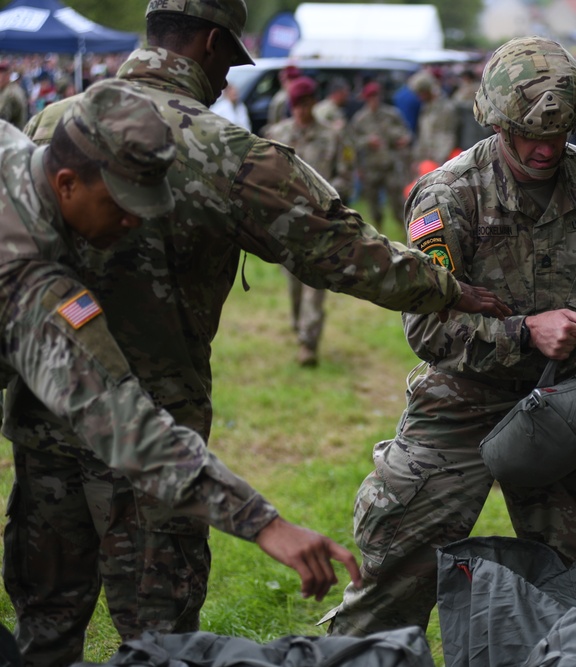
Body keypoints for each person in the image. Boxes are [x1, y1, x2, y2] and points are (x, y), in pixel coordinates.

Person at [15, 1, 511, 665]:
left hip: (45, 420)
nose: (226, 83)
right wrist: (448, 287)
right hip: (160, 434)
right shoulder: (228, 153)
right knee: (161, 641)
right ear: (214, 43)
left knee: (44, 622)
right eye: (228, 63)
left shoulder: (52, 124)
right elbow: (345, 253)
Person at [321, 35, 576, 638]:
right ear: (495, 121)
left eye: (558, 134)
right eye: (529, 135)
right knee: (395, 566)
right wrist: (523, 332)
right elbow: (425, 324)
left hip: (562, 406)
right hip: (458, 404)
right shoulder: (450, 194)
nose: (545, 149)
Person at [0, 77, 361, 664]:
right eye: (120, 205)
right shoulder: (29, 282)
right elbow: (124, 418)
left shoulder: (11, 149)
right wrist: (266, 524)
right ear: (67, 184)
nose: (133, 224)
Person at [264, 76, 351, 367]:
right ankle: (298, 324)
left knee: (316, 284)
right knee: (294, 283)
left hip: (321, 223)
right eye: (295, 105)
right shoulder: (277, 135)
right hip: (287, 224)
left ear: (314, 102)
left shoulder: (332, 136)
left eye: (305, 103)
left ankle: (308, 342)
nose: (300, 110)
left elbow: (345, 174)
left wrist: (326, 196)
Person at [348, 81, 413, 232]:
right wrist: (367, 142)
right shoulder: (360, 119)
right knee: (374, 204)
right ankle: (378, 230)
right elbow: (352, 143)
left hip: (390, 164)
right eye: (370, 97)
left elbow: (405, 132)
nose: (374, 101)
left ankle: (405, 229)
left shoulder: (392, 114)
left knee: (398, 201)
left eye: (376, 97)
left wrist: (403, 139)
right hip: (371, 167)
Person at [0, 61, 28, 129]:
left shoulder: (9, 94)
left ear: (6, 76)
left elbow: (2, 119)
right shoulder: (13, 88)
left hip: (10, 137)